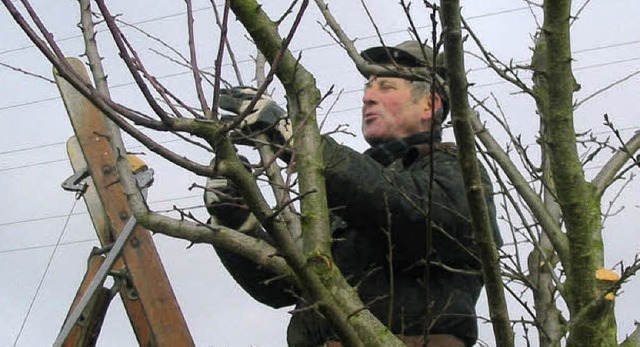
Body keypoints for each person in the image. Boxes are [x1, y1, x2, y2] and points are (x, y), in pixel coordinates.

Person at [205, 40, 503, 347]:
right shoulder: (351, 189)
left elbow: (416, 217)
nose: (368, 98)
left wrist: (298, 140)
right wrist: (237, 219)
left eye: (385, 87)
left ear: (430, 105)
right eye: (367, 87)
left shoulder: (455, 171)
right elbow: (286, 286)